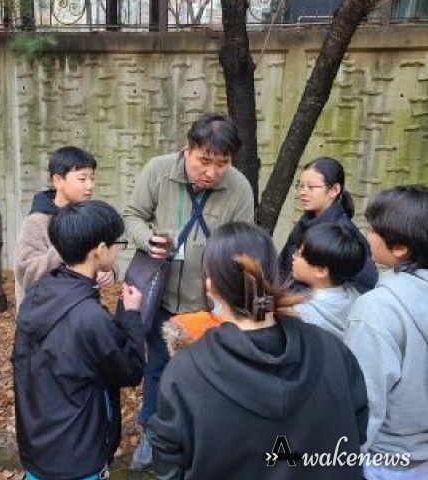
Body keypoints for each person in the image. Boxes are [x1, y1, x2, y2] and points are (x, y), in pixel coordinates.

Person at [149, 222, 368, 480]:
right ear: (272, 273)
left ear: (211, 285)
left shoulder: (187, 371)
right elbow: (357, 429)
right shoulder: (333, 350)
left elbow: (169, 458)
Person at [123, 113, 255, 470]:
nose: (211, 172)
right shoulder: (159, 170)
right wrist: (147, 240)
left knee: (203, 375)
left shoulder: (239, 188)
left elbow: (242, 242)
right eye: (204, 161)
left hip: (208, 306)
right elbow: (133, 214)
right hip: (163, 295)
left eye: (222, 163)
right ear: (188, 149)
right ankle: (152, 434)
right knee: (157, 368)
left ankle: (193, 441)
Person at [13, 200, 144, 480]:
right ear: (100, 250)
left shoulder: (38, 294)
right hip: (78, 458)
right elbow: (130, 370)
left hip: (38, 448)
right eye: (118, 244)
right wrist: (132, 315)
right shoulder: (90, 317)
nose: (118, 250)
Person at [344, 185, 428, 480]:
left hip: (384, 461)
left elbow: (364, 400)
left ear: (401, 247)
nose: (367, 235)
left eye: (373, 229)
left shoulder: (378, 309)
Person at [14, 146, 114, 309]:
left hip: (81, 310)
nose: (90, 185)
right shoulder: (36, 222)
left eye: (92, 178)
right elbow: (27, 274)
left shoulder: (90, 218)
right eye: (82, 179)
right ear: (58, 181)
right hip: (43, 314)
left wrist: (108, 270)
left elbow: (103, 255)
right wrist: (68, 246)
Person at [279, 156, 377, 294]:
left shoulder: (343, 233)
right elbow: (282, 264)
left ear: (334, 190)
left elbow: (364, 283)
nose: (303, 192)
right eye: (301, 186)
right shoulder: (305, 221)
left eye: (311, 187)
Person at [291, 222, 366, 339]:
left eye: (299, 254)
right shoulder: (356, 297)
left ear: (321, 271)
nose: (293, 256)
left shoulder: (301, 314)